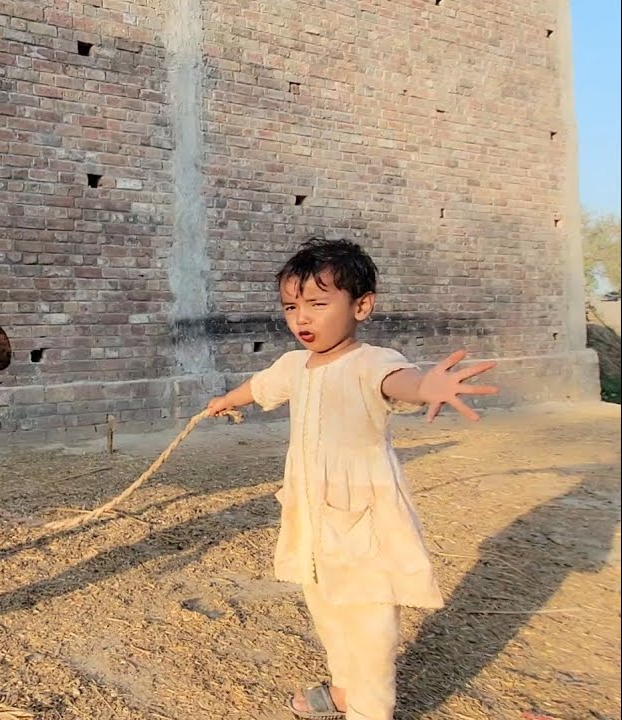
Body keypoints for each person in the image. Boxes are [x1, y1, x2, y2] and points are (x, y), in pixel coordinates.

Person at [204, 237, 498, 720]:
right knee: (327, 609)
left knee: (369, 624)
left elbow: (402, 382)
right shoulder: (295, 364)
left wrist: (430, 387)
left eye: (319, 304)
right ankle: (343, 690)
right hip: (315, 520)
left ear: (362, 306)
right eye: (291, 306)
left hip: (364, 521)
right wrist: (227, 401)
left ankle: (369, 710)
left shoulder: (371, 362)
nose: (302, 318)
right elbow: (260, 387)